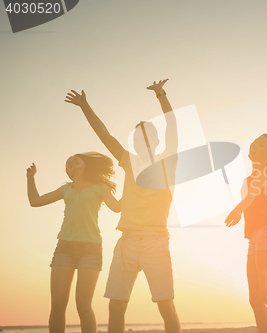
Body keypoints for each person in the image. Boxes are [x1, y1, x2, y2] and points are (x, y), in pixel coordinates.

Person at [65, 79, 181, 333]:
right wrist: (85, 106)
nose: (140, 141)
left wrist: (160, 94)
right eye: (137, 137)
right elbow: (104, 135)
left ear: (156, 141)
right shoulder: (129, 161)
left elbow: (172, 123)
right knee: (116, 306)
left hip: (155, 242)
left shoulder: (167, 162)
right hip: (126, 242)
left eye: (146, 136)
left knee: (165, 307)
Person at [26, 152, 121, 333]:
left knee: (83, 306)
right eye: (68, 162)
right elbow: (35, 201)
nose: (72, 161)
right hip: (64, 248)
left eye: (76, 158)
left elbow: (116, 207)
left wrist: (135, 189)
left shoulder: (100, 187)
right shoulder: (65, 189)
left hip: (90, 250)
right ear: (68, 171)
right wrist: (30, 178)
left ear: (86, 164)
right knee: (58, 304)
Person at [225, 134, 267, 333]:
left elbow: (252, 194)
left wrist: (238, 210)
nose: (254, 145)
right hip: (255, 236)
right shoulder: (252, 175)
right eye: (255, 142)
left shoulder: (265, 171)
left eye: (261, 145)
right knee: (255, 299)